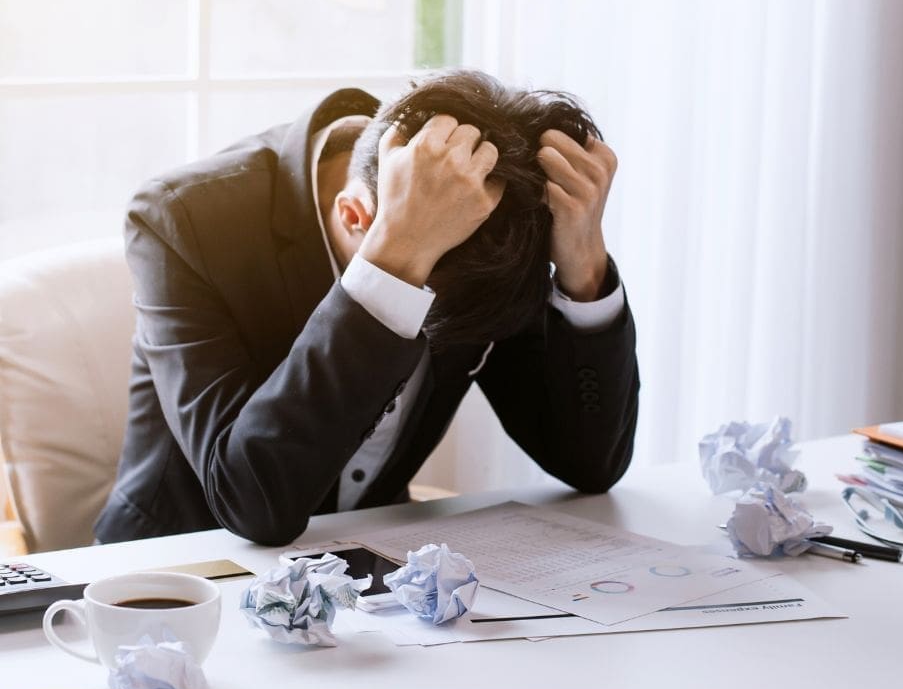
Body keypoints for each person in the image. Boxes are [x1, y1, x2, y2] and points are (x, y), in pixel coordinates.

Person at [94, 70, 639, 546]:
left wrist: (583, 264)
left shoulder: (492, 218)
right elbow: (250, 502)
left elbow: (589, 465)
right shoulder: (184, 220)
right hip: (179, 574)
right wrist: (394, 262)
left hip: (381, 579)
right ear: (355, 216)